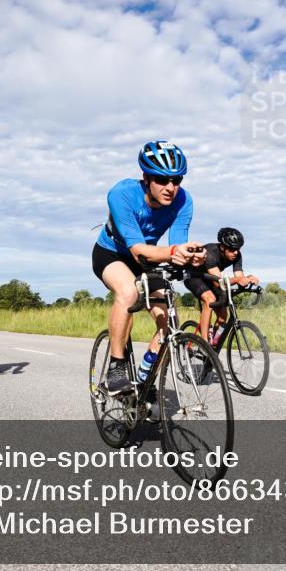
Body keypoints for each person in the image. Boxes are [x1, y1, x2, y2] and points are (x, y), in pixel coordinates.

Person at [93, 140, 206, 394]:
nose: (170, 188)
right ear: (145, 177)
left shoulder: (183, 201)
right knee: (128, 292)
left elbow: (176, 244)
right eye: (162, 180)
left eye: (177, 180)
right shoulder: (121, 195)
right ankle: (117, 366)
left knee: (168, 320)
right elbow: (138, 251)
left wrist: (191, 256)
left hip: (149, 257)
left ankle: (144, 380)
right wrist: (174, 252)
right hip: (112, 253)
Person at [185, 227, 260, 344]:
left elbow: (239, 277)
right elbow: (218, 282)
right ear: (222, 247)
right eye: (232, 249)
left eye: (238, 249)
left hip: (210, 278)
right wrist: (239, 279)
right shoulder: (210, 253)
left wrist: (249, 279)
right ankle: (204, 343)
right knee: (210, 299)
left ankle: (214, 341)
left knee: (223, 315)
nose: (235, 252)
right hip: (194, 277)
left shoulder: (237, 255)